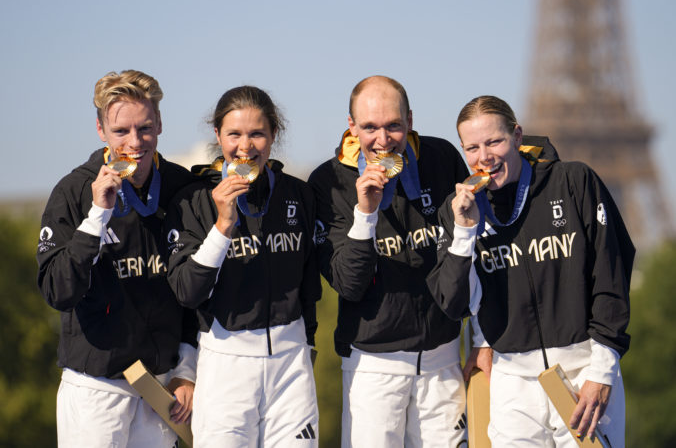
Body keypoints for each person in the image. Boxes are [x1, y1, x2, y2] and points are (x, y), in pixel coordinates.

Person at [427, 95, 634, 447]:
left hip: (583, 370)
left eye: (494, 141)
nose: (484, 157)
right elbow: (454, 304)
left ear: (518, 136)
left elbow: (610, 276)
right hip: (512, 382)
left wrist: (602, 370)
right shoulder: (458, 210)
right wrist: (464, 234)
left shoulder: (573, 182)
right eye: (472, 148)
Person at [36, 70, 198, 447]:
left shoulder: (182, 187)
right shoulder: (74, 191)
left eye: (145, 128)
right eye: (121, 131)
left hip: (161, 389)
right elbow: (57, 290)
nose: (135, 142)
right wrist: (96, 217)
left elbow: (195, 290)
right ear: (100, 129)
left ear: (160, 123)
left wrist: (187, 369)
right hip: (96, 390)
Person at [308, 75, 470, 447]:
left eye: (393, 125)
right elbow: (349, 284)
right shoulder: (328, 182)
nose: (383, 140)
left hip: (443, 358)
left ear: (410, 120)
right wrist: (365, 214)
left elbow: (474, 255)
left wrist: (484, 340)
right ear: (351, 126)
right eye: (370, 127)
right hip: (373, 365)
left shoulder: (442, 157)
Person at [165, 86, 321, 447]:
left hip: (292, 364)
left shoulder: (298, 194)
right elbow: (188, 292)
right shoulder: (192, 201)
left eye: (257, 134)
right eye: (234, 134)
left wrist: (305, 347)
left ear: (273, 136)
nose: (245, 146)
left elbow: (310, 289)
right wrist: (222, 225)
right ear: (218, 135)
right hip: (226, 366)